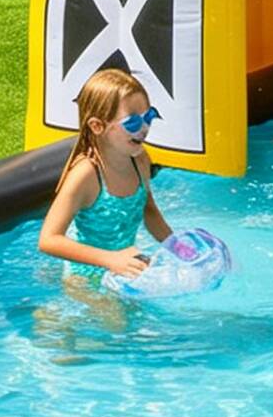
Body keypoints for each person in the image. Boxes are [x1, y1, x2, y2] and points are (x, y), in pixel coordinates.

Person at [38, 66, 172, 282]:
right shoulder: (86, 175)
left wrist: (177, 247)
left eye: (149, 116)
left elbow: (149, 210)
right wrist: (111, 260)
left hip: (124, 269)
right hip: (84, 278)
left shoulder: (140, 160)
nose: (144, 128)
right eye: (133, 122)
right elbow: (48, 239)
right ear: (97, 126)